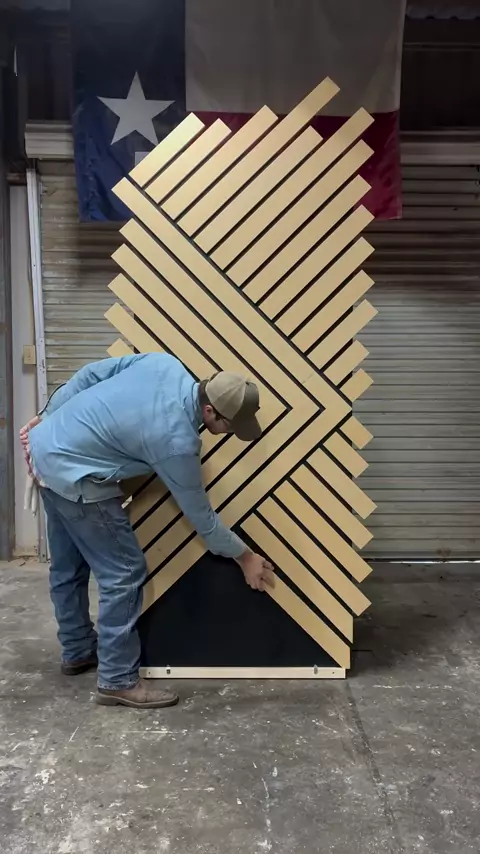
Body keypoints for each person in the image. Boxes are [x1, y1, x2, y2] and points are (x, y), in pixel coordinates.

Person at [20, 353, 274, 709]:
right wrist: (244, 556)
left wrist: (48, 416)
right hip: (77, 478)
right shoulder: (177, 442)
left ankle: (77, 650)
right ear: (210, 412)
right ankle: (117, 680)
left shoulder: (164, 364)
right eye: (231, 426)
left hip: (44, 451)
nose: (231, 434)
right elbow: (202, 518)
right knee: (124, 574)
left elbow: (90, 372)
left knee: (68, 567)